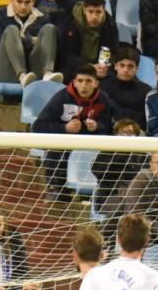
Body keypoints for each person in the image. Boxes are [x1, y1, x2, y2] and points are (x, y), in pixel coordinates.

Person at [33, 64, 114, 199]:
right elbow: (38, 126)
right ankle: (57, 189)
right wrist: (64, 128)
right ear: (74, 82)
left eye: (88, 81)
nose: (84, 85)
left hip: (92, 145)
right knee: (56, 148)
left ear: (95, 83)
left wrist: (97, 127)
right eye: (80, 81)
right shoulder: (62, 97)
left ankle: (102, 191)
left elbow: (110, 128)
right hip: (65, 145)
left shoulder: (104, 99)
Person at [0, 0, 59, 87]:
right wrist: (30, 41)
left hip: (34, 70)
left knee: (50, 28)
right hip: (6, 67)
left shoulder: (43, 17)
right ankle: (22, 75)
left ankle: (47, 73)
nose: (23, 7)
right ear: (12, 0)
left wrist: (22, 40)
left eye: (27, 2)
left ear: (33, 1)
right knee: (11, 30)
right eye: (19, 2)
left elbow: (48, 44)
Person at [56, 0, 119, 81]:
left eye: (98, 12)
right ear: (84, 10)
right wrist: (90, 66)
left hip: (100, 66)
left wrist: (103, 66)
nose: (94, 16)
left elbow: (113, 51)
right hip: (77, 65)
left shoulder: (110, 25)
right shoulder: (72, 23)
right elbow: (68, 55)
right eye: (91, 11)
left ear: (104, 11)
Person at [100, 47, 151, 128]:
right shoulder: (103, 87)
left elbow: (147, 120)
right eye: (122, 65)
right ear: (116, 66)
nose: (125, 70)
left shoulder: (146, 90)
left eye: (130, 66)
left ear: (137, 69)